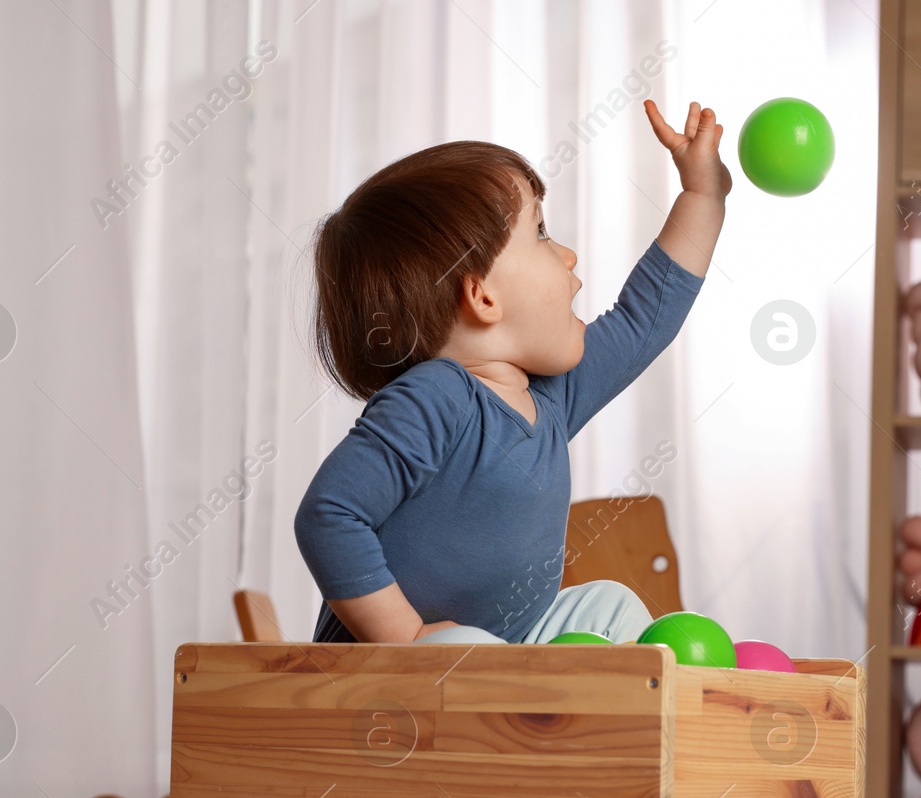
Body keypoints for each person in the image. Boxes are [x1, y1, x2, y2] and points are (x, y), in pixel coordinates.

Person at [295, 101, 731, 644]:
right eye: (542, 232)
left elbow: (645, 319)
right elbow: (328, 514)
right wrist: (405, 640)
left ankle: (628, 721)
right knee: (460, 647)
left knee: (609, 607)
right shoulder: (436, 398)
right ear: (482, 295)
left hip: (501, 652)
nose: (569, 256)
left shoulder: (550, 397)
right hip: (380, 674)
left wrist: (702, 195)